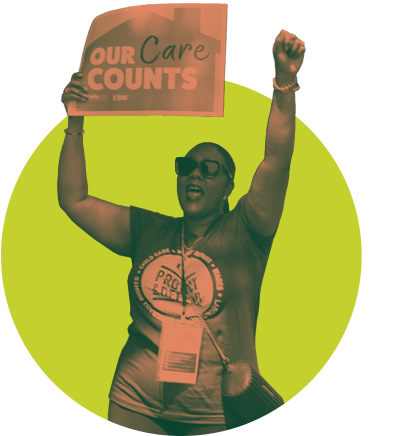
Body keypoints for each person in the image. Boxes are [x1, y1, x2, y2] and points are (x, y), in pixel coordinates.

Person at [59, 29, 306, 435]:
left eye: (209, 169)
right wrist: (75, 121)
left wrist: (285, 81)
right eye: (186, 166)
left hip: (215, 410)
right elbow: (75, 199)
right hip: (134, 399)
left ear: (228, 187)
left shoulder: (246, 230)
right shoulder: (148, 230)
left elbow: (276, 159)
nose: (195, 174)